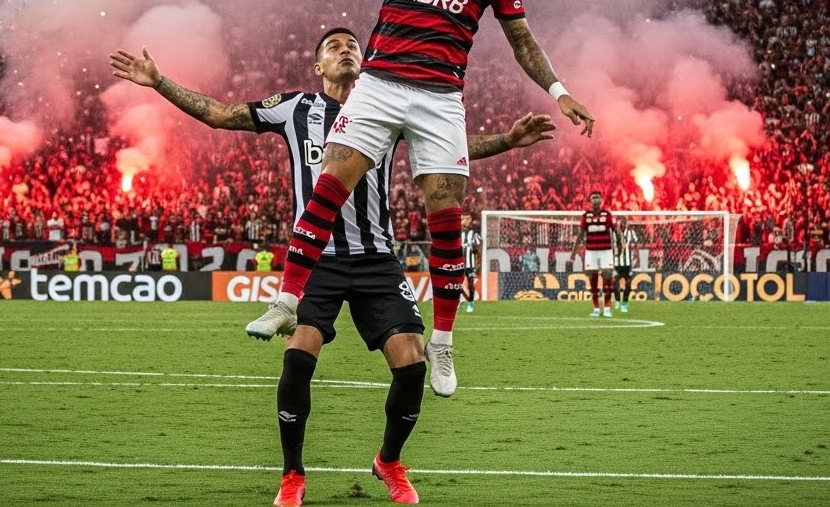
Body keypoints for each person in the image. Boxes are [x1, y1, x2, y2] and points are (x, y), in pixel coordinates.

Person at [111, 28, 554, 506]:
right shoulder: (294, 108)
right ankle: (293, 475)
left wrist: (507, 141)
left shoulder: (387, 107)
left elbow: (447, 144)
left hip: (376, 259)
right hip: (316, 258)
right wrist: (159, 82)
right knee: (299, 358)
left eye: (353, 47)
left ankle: (388, 461)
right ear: (318, 67)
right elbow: (221, 114)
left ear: (365, 63)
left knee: (411, 364)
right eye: (334, 47)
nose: (346, 51)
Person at [231, 0, 596, 397]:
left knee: (446, 219)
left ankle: (444, 342)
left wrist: (561, 94)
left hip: (441, 98)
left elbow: (522, 40)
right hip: (379, 85)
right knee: (328, 187)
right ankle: (286, 302)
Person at [575, 191, 621, 318]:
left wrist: (620, 245)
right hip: (591, 252)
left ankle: (607, 308)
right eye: (593, 198)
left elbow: (616, 231)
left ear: (601, 200)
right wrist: (574, 251)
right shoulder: (586, 216)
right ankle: (596, 308)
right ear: (590, 201)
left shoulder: (607, 215)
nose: (595, 200)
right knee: (593, 281)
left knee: (608, 278)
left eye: (597, 197)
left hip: (606, 251)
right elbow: (580, 234)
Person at [614, 217, 637, 313]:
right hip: (616, 262)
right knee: (614, 283)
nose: (622, 225)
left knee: (628, 283)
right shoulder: (614, 233)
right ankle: (617, 299)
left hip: (628, 263)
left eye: (623, 223)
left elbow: (636, 244)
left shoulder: (631, 232)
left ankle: (624, 303)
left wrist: (637, 256)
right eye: (620, 224)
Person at [460, 213, 481, 313]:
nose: (464, 220)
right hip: (459, 263)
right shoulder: (459, 234)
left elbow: (478, 247)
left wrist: (477, 259)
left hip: (470, 264)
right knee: (456, 285)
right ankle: (461, 301)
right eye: (463, 219)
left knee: (470, 284)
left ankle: (470, 304)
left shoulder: (474, 233)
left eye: (466, 219)